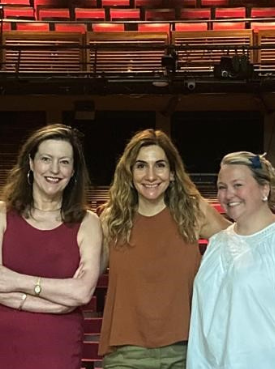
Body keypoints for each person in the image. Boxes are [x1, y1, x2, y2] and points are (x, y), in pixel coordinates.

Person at [98, 129, 229, 368]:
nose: (150, 175)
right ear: (129, 173)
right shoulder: (111, 219)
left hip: (185, 350)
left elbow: (244, 240)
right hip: (125, 354)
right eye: (141, 166)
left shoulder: (192, 211)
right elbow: (84, 274)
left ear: (172, 173)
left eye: (159, 165)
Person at [188, 151, 275, 369]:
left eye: (238, 185)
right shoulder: (217, 244)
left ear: (264, 189)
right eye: (222, 187)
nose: (228, 194)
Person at [0, 124, 103, 369]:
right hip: (1, 341)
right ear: (31, 163)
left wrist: (15, 281)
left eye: (64, 162)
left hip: (58, 343)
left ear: (74, 170)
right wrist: (60, 302)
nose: (54, 170)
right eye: (46, 159)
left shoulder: (88, 222)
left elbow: (82, 293)